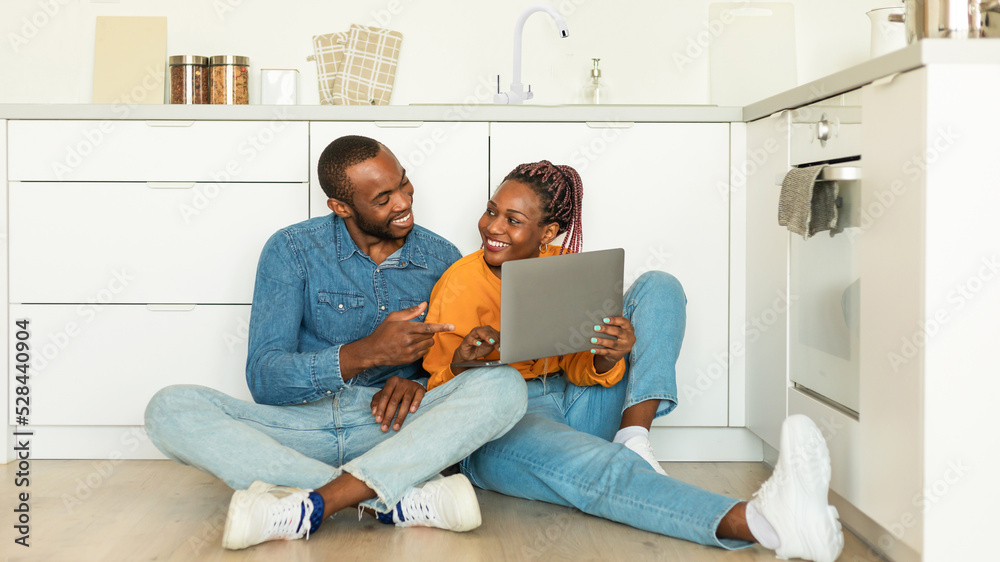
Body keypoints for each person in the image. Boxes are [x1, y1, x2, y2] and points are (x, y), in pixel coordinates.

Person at [422, 160, 845, 561]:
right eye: (491, 211)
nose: (493, 227)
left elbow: (577, 367)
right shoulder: (459, 283)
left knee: (659, 286)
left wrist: (607, 356)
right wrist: (461, 363)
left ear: (548, 231)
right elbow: (439, 406)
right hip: (500, 426)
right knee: (592, 468)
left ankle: (634, 437)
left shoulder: (562, 267)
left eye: (513, 220)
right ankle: (762, 521)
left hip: (573, 402)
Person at [144, 136, 528, 550]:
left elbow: (443, 369)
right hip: (296, 429)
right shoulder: (292, 250)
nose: (403, 202)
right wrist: (365, 352)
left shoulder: (442, 257)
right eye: (383, 198)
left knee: (503, 386)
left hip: (390, 430)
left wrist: (420, 382)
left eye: (404, 184)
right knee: (169, 408)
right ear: (341, 207)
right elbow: (264, 377)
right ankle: (388, 501)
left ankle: (307, 502)